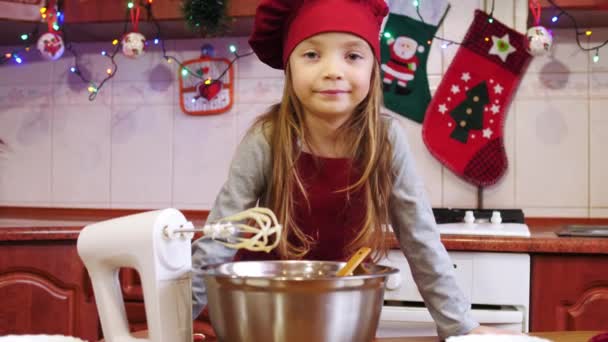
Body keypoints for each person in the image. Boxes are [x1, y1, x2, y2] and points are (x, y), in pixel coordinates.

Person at [191, 0, 515, 339]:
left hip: (340, 315)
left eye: (353, 56)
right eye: (312, 55)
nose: (333, 71)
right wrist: (176, 317)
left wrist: (460, 327)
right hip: (262, 311)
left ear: (373, 68)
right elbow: (220, 236)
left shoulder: (387, 141)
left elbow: (421, 240)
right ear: (289, 67)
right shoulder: (267, 138)